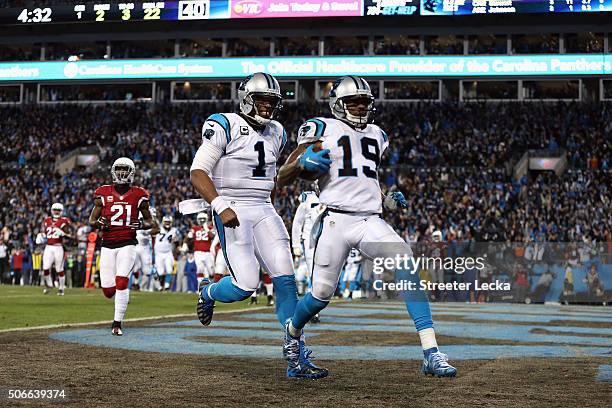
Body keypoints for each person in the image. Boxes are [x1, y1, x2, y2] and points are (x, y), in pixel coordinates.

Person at [277, 75, 457, 378]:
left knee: (405, 262)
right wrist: (301, 165)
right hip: (335, 219)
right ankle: (292, 334)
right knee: (320, 294)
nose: (360, 107)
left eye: (364, 102)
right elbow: (282, 174)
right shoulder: (321, 127)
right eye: (353, 102)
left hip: (369, 219)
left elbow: (363, 178)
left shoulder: (377, 134)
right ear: (337, 104)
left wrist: (385, 200)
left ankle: (431, 352)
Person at [190, 72, 327, 379]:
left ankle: (296, 355)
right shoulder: (224, 124)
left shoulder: (277, 131)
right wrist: (219, 204)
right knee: (245, 285)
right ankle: (209, 292)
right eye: (262, 100)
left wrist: (306, 152)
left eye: (271, 102)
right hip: (232, 206)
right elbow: (198, 171)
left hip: (264, 208)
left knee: (286, 278)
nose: (267, 107)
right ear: (246, 99)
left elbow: (280, 168)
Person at [89, 157, 155, 336]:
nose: (121, 173)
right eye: (119, 169)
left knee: (122, 281)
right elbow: (92, 220)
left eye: (125, 170)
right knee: (108, 290)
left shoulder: (138, 194)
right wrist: (99, 222)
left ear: (131, 173)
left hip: (128, 243)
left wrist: (141, 225)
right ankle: (119, 299)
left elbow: (151, 222)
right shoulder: (103, 193)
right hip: (108, 244)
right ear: (113, 171)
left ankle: (117, 323)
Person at [41, 203, 73, 295]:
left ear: (61, 211)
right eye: (55, 210)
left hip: (59, 247)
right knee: (45, 267)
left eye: (58, 210)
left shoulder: (65, 221)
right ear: (52, 210)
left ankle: (61, 288)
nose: (56, 212)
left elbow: (71, 235)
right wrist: (41, 235)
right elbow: (44, 232)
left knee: (59, 269)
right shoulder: (47, 220)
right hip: (48, 246)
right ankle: (49, 285)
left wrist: (63, 233)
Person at [154, 215, 179, 291]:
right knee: (160, 272)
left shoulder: (174, 230)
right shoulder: (158, 228)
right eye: (166, 222)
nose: (167, 223)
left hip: (168, 252)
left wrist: (176, 242)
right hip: (158, 253)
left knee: (169, 270)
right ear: (163, 222)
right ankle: (161, 286)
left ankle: (167, 286)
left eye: (169, 222)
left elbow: (177, 242)